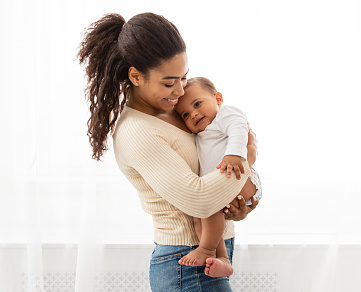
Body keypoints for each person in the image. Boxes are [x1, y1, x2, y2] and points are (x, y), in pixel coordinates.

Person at [78, 13, 258, 291]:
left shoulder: (177, 110)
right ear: (136, 76)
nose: (180, 90)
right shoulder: (137, 131)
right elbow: (198, 200)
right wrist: (247, 156)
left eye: (184, 77)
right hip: (184, 262)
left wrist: (236, 206)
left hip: (210, 256)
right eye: (168, 82)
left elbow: (210, 169)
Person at [174, 77, 262, 277]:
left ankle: (206, 249)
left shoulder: (226, 114)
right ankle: (221, 257)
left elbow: (240, 129)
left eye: (197, 104)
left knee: (208, 207)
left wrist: (234, 154)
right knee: (199, 215)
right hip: (227, 185)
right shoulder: (202, 132)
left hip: (244, 178)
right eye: (185, 114)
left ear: (218, 98)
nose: (193, 113)